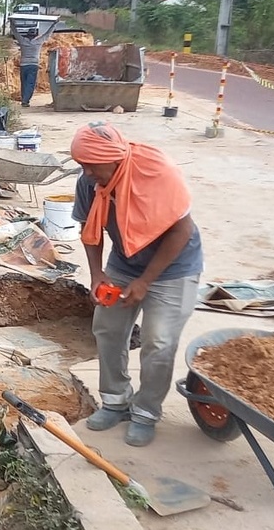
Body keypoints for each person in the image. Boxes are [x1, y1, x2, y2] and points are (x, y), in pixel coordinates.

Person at [70, 121, 204, 447]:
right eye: (81, 165)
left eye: (91, 165)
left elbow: (181, 231)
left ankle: (145, 412)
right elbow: (91, 228)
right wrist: (97, 274)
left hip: (174, 267)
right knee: (108, 327)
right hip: (125, 261)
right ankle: (115, 401)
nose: (86, 172)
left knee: (158, 341)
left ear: (114, 158)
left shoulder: (158, 174)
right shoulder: (90, 184)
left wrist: (146, 281)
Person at [16, 20, 58, 108]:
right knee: (30, 84)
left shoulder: (23, 41)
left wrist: (12, 22)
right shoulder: (38, 42)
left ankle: (24, 99)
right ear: (35, 35)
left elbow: (15, 32)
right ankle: (25, 100)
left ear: (27, 35)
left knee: (24, 83)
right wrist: (54, 24)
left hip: (23, 65)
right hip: (33, 65)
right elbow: (47, 34)